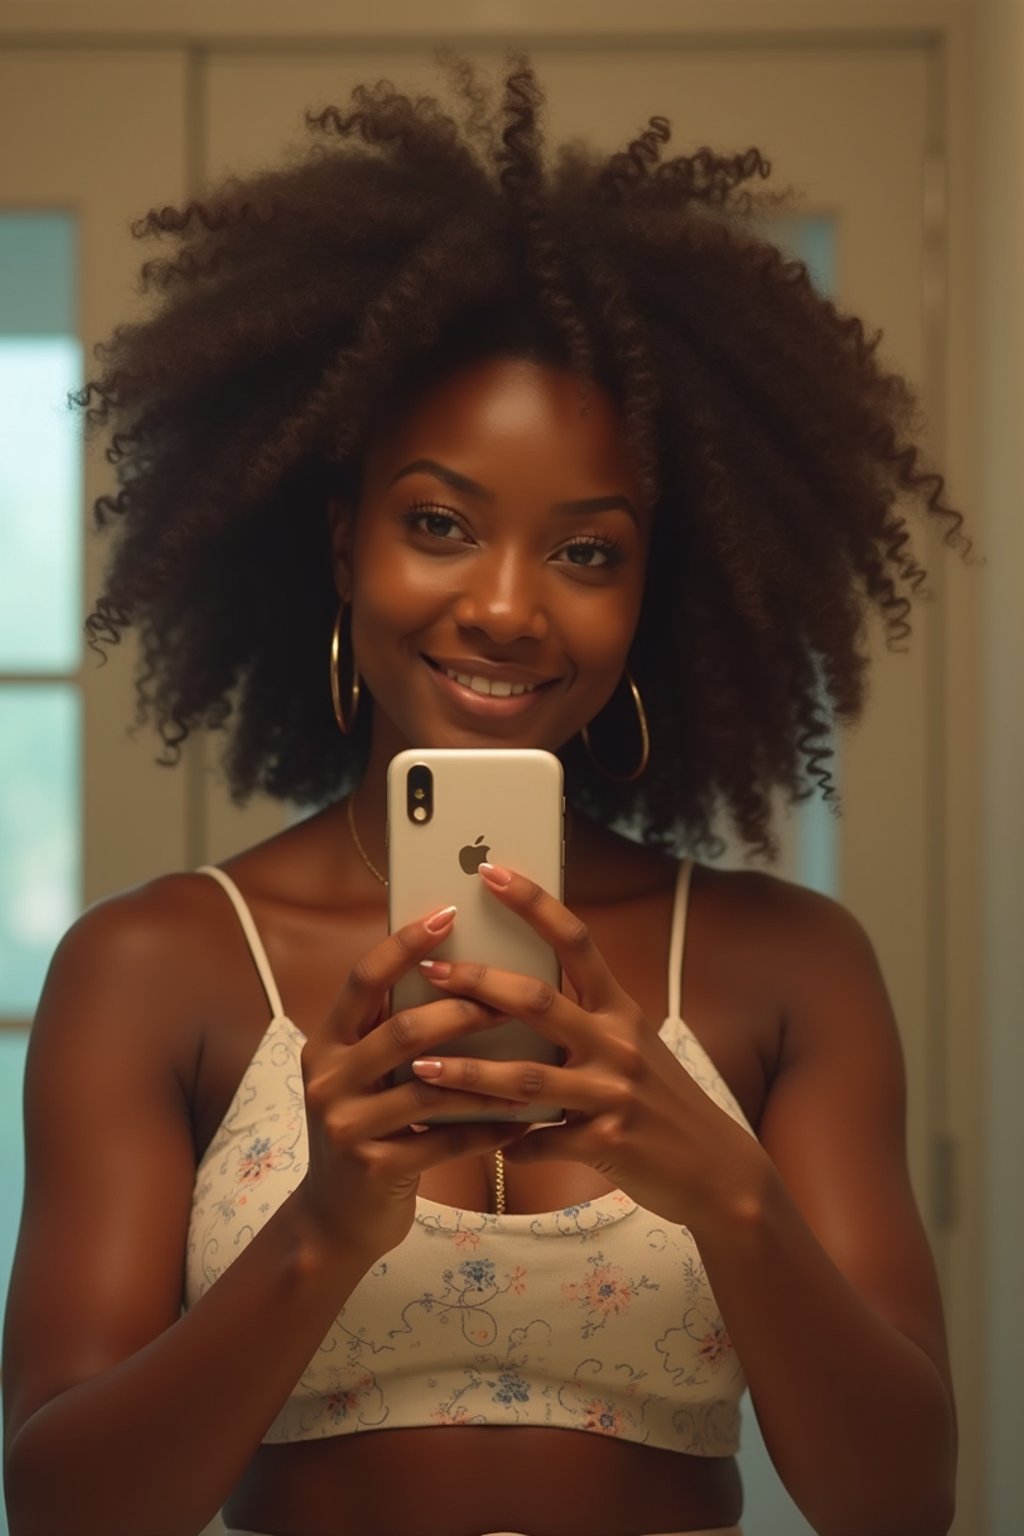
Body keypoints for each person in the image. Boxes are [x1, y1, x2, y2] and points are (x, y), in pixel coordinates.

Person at [1, 50, 964, 1536]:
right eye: (440, 523)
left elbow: (901, 1503)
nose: (508, 608)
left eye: (586, 550)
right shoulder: (155, 970)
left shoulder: (790, 970)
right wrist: (318, 1231)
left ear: (655, 591)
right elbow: (63, 1506)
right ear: (340, 548)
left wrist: (733, 1195)